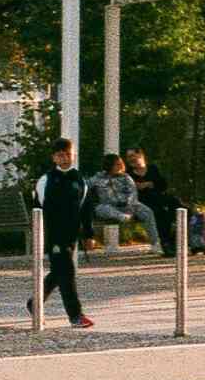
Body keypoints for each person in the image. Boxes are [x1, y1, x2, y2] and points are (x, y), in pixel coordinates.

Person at [32, 137, 95, 329]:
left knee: (58, 272)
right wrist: (40, 235)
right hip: (53, 234)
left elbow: (86, 209)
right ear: (54, 158)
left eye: (68, 154)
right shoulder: (46, 180)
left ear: (73, 155)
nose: (65, 158)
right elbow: (38, 208)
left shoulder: (80, 179)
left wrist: (89, 234)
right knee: (67, 273)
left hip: (71, 234)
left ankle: (34, 304)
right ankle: (76, 315)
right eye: (60, 155)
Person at [83, 152, 156, 253]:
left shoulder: (126, 177)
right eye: (117, 164)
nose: (121, 166)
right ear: (109, 166)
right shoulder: (98, 178)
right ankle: (123, 217)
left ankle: (155, 244)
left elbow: (133, 193)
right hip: (110, 208)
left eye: (121, 163)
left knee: (147, 211)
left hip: (129, 206)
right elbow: (84, 185)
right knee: (100, 208)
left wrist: (129, 206)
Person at [126, 148, 181, 258]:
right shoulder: (128, 174)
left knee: (179, 206)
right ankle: (165, 243)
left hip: (159, 197)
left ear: (141, 155)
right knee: (159, 212)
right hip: (143, 201)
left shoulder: (153, 168)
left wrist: (149, 184)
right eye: (128, 157)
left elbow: (163, 185)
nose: (130, 159)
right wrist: (136, 187)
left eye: (133, 155)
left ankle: (187, 239)